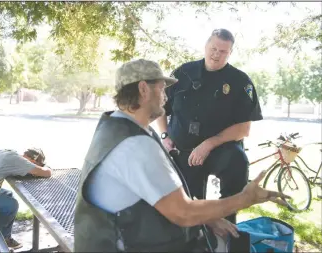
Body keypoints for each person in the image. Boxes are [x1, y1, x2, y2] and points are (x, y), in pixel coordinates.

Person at [74, 59, 288, 252]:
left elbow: (157, 200)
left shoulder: (116, 126)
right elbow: (183, 213)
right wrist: (245, 199)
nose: (166, 95)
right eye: (161, 88)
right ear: (143, 89)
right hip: (126, 244)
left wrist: (209, 217)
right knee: (232, 246)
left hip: (117, 236)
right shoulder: (135, 145)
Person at [156, 28, 263, 224]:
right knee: (187, 208)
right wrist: (165, 136)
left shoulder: (240, 81)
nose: (216, 54)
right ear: (206, 45)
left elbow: (243, 128)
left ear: (230, 53)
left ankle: (228, 228)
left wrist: (209, 144)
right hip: (183, 151)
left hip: (221, 151)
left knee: (237, 162)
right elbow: (161, 107)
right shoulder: (182, 73)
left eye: (223, 51)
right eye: (213, 48)